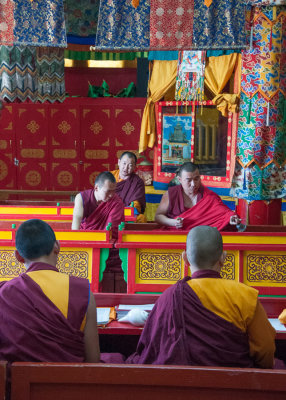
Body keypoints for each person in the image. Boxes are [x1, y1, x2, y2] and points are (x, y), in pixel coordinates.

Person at [126, 226, 275, 367]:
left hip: (180, 386)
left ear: (185, 259)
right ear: (223, 258)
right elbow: (265, 349)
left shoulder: (169, 296)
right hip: (235, 385)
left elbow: (151, 347)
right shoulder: (245, 296)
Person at [0, 219, 100, 363]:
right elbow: (93, 361)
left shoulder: (4, 293)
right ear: (57, 246)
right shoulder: (82, 291)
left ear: (18, 256)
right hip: (67, 383)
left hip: (18, 383)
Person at [155, 162, 241, 231]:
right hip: (176, 237)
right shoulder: (171, 194)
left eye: (196, 179)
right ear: (179, 180)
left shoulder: (209, 196)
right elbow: (158, 216)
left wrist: (231, 218)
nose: (193, 184)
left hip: (201, 240)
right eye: (188, 180)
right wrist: (173, 222)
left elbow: (224, 213)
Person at [72, 171, 124, 236]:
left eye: (113, 191)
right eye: (108, 191)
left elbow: (112, 229)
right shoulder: (81, 198)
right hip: (85, 237)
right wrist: (75, 239)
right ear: (96, 188)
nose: (111, 195)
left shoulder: (116, 202)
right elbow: (76, 221)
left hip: (105, 242)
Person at [111, 152, 146, 223]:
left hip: (125, 212)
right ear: (119, 162)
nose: (126, 168)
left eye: (130, 165)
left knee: (141, 219)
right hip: (109, 209)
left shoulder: (137, 182)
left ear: (134, 167)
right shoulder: (110, 176)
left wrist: (127, 212)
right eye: (124, 163)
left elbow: (136, 203)